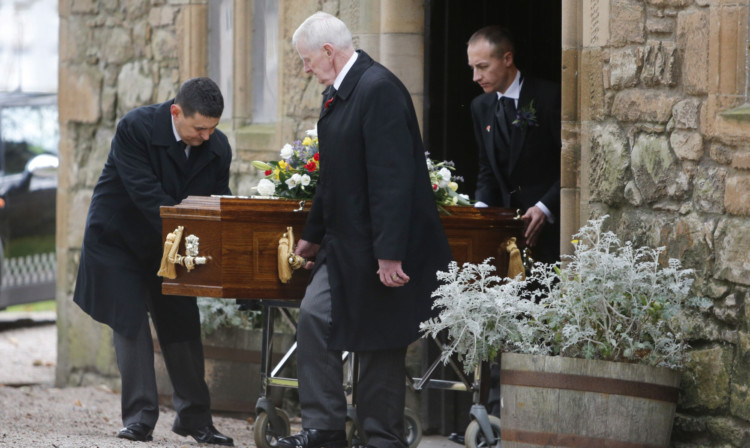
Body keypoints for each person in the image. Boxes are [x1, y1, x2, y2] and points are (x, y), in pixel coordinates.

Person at [277, 12, 452, 448]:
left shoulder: (379, 90)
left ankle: (381, 437)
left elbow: (393, 179)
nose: (305, 69)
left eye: (306, 60)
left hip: (381, 246)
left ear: (329, 53)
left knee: (380, 340)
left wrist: (389, 252)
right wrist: (311, 236)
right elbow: (333, 177)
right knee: (315, 319)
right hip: (345, 244)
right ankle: (324, 429)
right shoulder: (339, 94)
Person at [73, 77, 234, 446]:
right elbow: (147, 195)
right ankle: (140, 419)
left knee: (182, 325)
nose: (207, 136)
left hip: (170, 244)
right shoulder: (136, 128)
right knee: (130, 322)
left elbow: (215, 203)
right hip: (118, 243)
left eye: (213, 128)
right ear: (176, 112)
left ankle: (196, 419)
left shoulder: (217, 147)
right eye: (199, 128)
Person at [467, 25, 561, 265]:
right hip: (505, 234)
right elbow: (487, 168)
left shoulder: (549, 98)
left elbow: (571, 163)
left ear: (507, 58)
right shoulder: (480, 106)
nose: (476, 77)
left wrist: (544, 207)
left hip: (551, 232)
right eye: (473, 68)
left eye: (483, 67)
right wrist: (479, 213)